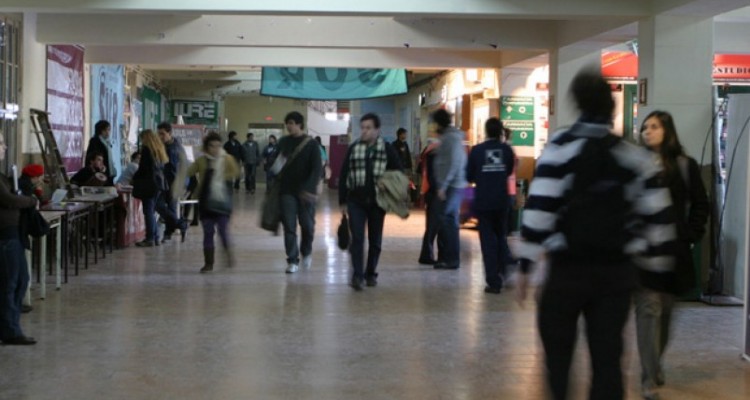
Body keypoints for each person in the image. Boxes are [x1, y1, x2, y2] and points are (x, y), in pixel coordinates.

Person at [516, 68, 677, 400]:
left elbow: (539, 209)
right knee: (608, 361)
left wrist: (525, 267)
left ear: (576, 103)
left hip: (566, 271)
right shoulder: (633, 156)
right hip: (615, 275)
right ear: (612, 109)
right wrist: (656, 269)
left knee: (558, 361)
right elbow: (658, 216)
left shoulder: (560, 146)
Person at [635, 110, 709, 400]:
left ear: (668, 131)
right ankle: (648, 378)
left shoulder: (684, 165)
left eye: (654, 127)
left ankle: (654, 364)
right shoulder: (637, 165)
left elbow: (701, 204)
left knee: (664, 315)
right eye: (645, 127)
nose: (647, 132)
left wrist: (691, 235)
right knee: (647, 311)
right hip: (643, 253)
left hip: (673, 253)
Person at [339, 113, 402, 290]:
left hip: (378, 202)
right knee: (357, 238)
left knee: (375, 241)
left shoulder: (387, 149)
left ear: (377, 130)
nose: (364, 131)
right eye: (363, 128)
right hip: (356, 201)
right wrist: (342, 200)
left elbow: (398, 170)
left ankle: (370, 272)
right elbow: (344, 173)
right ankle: (357, 275)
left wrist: (387, 182)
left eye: (368, 128)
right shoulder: (354, 148)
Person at [466, 118, 515, 294]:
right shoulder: (506, 150)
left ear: (486, 131)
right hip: (502, 201)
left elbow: (469, 176)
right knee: (501, 237)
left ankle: (493, 282)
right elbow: (509, 170)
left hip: (484, 202)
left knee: (487, 242)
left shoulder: (477, 151)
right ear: (501, 131)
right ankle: (506, 270)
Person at [0, 132, 38, 345]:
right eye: (1, 143)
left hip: (12, 235)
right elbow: (7, 199)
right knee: (10, 283)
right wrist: (29, 201)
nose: (4, 147)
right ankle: (10, 329)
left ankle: (10, 325)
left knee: (20, 280)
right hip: (5, 237)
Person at [186, 132, 240, 273]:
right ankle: (208, 263)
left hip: (222, 202)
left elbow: (237, 172)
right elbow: (188, 172)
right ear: (206, 147)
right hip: (205, 202)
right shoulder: (202, 161)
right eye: (211, 146)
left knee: (223, 230)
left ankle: (228, 253)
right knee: (208, 232)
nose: (215, 149)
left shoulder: (227, 159)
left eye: (218, 146)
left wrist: (222, 175)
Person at [277, 111, 322, 274]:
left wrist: (310, 189)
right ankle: (292, 260)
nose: (288, 126)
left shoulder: (311, 144)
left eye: (291, 123)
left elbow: (317, 169)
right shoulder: (283, 142)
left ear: (299, 124)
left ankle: (307, 251)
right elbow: (275, 162)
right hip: (287, 190)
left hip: (306, 193)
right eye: (287, 123)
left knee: (307, 226)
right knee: (289, 226)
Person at [133, 129, 183, 247]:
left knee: (148, 211)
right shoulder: (159, 150)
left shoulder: (147, 150)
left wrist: (134, 178)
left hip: (149, 184)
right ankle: (155, 237)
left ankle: (150, 238)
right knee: (153, 209)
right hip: (159, 184)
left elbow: (143, 169)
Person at [431, 109, 467, 270]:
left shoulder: (451, 138)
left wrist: (443, 186)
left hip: (452, 185)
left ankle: (451, 259)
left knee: (448, 221)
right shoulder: (450, 137)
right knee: (449, 220)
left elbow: (453, 163)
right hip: (451, 184)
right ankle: (447, 258)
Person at [157, 122, 188, 242]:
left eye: (162, 134)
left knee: (160, 205)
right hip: (167, 182)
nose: (160, 137)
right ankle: (175, 228)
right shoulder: (167, 145)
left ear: (170, 133)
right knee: (169, 208)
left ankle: (174, 228)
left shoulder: (174, 148)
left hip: (172, 183)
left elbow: (176, 169)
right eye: (158, 134)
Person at [417, 137, 443, 265]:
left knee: (433, 225)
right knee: (433, 225)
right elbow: (433, 174)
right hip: (433, 191)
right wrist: (438, 188)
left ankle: (428, 254)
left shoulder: (429, 149)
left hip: (429, 190)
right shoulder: (435, 151)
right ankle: (426, 255)